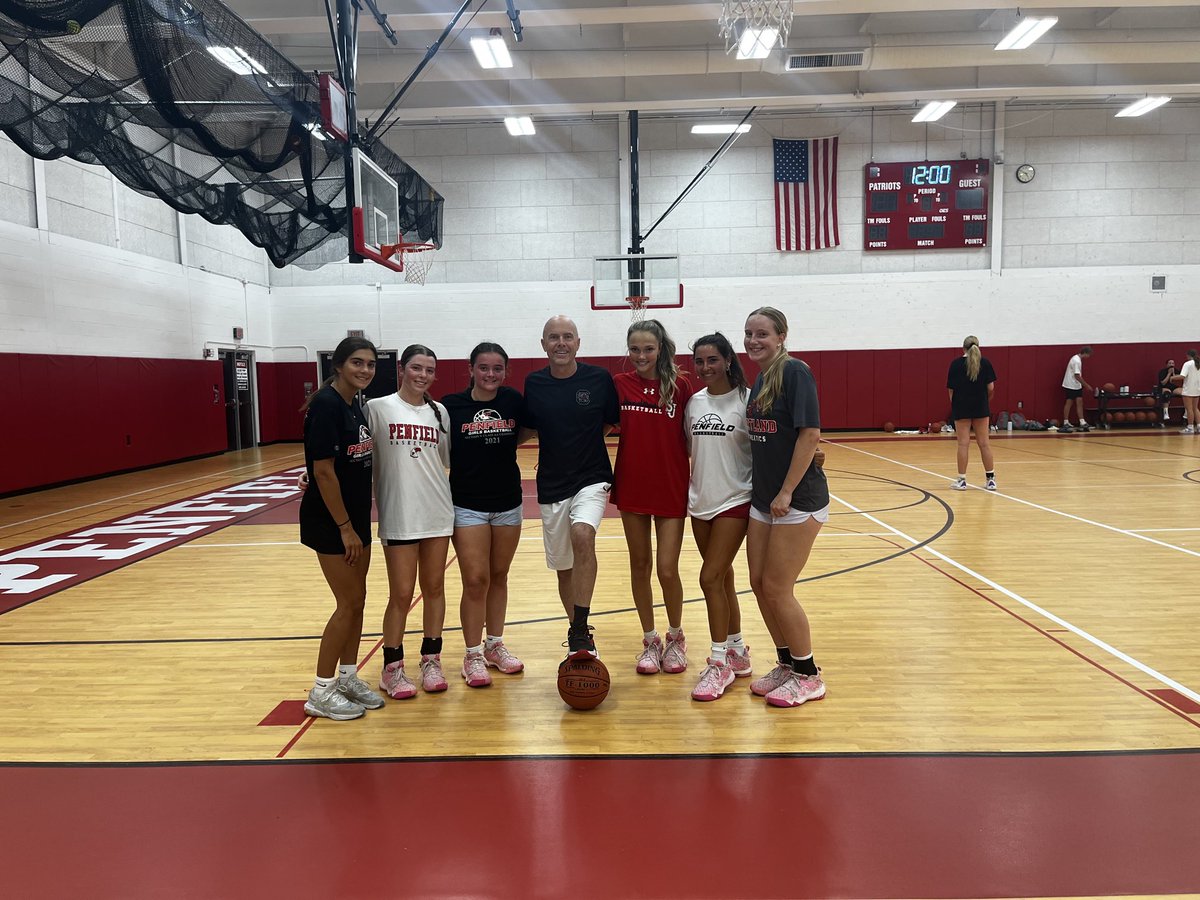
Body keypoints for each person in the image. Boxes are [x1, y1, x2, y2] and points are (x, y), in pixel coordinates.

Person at [742, 307, 829, 709]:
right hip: (764, 500)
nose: (754, 341)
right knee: (759, 584)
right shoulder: (761, 378)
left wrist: (787, 491)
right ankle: (786, 662)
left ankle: (809, 675)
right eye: (748, 334)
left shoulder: (796, 372)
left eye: (762, 333)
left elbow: (810, 433)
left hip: (795, 501)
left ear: (781, 336)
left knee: (779, 588)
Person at [521, 315, 620, 661]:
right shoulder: (534, 384)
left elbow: (610, 421)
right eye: (553, 337)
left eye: (567, 337)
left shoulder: (598, 379)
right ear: (543, 344)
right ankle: (576, 632)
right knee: (564, 566)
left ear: (578, 343)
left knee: (583, 534)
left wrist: (584, 444)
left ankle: (580, 628)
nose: (560, 343)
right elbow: (529, 429)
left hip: (592, 477)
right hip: (551, 482)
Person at [298, 337, 387, 720]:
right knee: (347, 603)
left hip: (354, 519)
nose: (365, 369)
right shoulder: (327, 405)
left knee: (359, 601)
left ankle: (347, 677)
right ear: (338, 365)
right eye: (357, 362)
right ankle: (320, 690)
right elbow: (322, 470)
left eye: (369, 364)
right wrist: (345, 528)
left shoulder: (355, 405)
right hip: (333, 522)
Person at [369, 344, 455, 699]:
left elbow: (445, 461)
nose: (423, 375)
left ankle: (431, 659)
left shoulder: (440, 413)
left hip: (437, 511)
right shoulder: (378, 408)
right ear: (402, 368)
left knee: (434, 589)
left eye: (430, 370)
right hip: (400, 512)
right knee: (402, 594)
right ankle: (392, 669)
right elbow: (353, 451)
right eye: (417, 368)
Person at [442, 342, 527, 687]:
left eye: (497, 369)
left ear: (505, 372)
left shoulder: (513, 402)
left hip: (508, 502)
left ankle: (495, 645)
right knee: (475, 579)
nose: (490, 375)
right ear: (471, 370)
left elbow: (526, 433)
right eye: (484, 368)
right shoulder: (451, 406)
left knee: (499, 575)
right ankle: (472, 654)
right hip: (467, 503)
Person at [612, 320, 694, 676]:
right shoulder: (618, 385)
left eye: (648, 349)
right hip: (632, 484)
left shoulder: (682, 386)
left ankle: (675, 636)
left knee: (666, 568)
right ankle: (650, 640)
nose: (641, 356)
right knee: (640, 565)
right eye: (635, 349)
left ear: (661, 348)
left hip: (671, 485)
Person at [683, 332, 753, 700]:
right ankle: (738, 649)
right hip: (700, 502)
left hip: (735, 499)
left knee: (708, 578)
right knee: (723, 577)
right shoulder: (693, 403)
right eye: (699, 361)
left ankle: (718, 661)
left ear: (728, 360)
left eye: (712, 360)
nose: (705, 367)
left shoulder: (747, 400)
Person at [947, 335, 997, 491]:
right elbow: (991, 389)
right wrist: (984, 402)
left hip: (961, 407)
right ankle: (991, 480)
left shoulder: (955, 364)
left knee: (963, 444)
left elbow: (951, 390)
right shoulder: (985, 363)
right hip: (981, 407)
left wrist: (955, 405)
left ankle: (961, 480)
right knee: (984, 444)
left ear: (963, 348)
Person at [1060, 346, 1093, 433]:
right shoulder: (1076, 361)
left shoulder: (1076, 358)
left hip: (1076, 385)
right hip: (1071, 384)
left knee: (1079, 402)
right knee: (1069, 402)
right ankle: (1066, 422)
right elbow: (1077, 375)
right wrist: (1086, 385)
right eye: (1088, 355)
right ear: (1085, 353)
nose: (1089, 357)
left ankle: (1082, 422)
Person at [1180, 349, 1200, 435]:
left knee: (1189, 409)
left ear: (1188, 355)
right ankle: (1199, 426)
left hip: (1188, 389)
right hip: (1197, 389)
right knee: (1195, 408)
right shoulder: (1198, 363)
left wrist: (1172, 378)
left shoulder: (1187, 364)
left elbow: (1182, 376)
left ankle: (1190, 427)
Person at [1156, 359, 1178, 424]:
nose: (1171, 365)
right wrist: (1169, 374)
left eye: (1172, 363)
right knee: (1167, 394)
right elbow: (1163, 383)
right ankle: (1166, 413)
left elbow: (1177, 382)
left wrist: (1173, 374)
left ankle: (1186, 412)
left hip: (1174, 388)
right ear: (1167, 365)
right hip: (1164, 387)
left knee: (1185, 392)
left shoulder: (1177, 371)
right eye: (1170, 363)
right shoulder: (1162, 372)